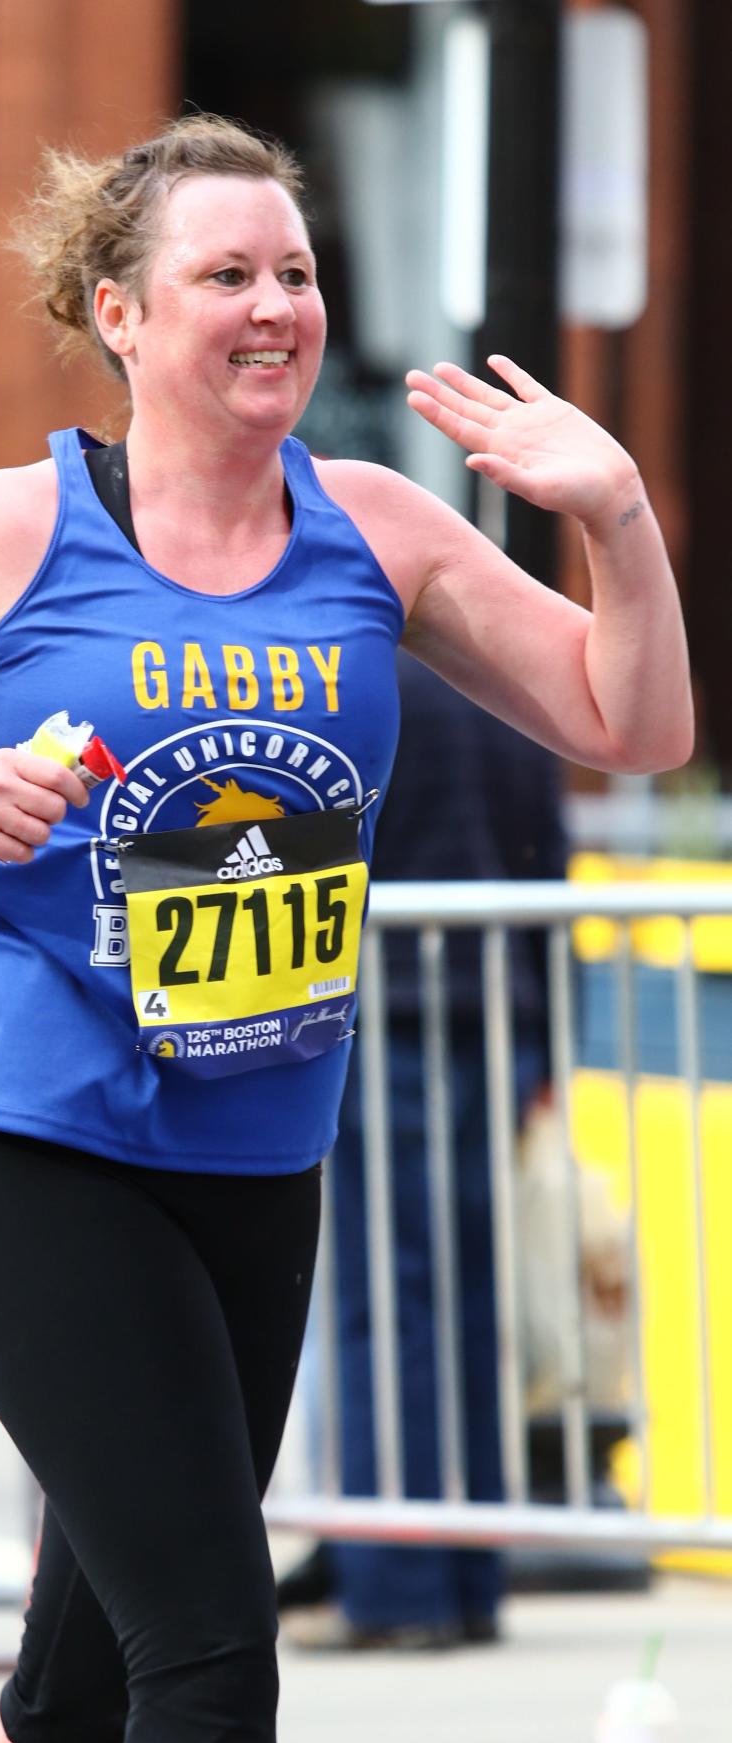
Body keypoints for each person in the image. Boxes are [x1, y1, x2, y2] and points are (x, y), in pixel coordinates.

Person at [0, 116, 691, 1743]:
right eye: (224, 276)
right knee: (209, 1650)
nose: (272, 309)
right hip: (40, 1137)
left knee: (80, 1693)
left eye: (296, 274)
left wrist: (611, 513)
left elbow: (633, 724)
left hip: (256, 1159)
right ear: (119, 311)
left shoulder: (377, 529)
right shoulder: (8, 529)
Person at [278, 654, 567, 1652]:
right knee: (468, 1295)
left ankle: (397, 1582)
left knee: (383, 1303)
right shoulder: (504, 688)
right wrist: (548, 1043)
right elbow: (549, 856)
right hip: (494, 1009)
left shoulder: (346, 685)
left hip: (382, 1007)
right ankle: (470, 1572)